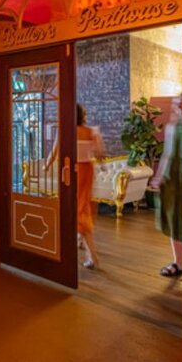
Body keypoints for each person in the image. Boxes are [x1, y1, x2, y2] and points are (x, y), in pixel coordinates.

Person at [149, 95, 182, 277]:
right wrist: (159, 176)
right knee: (175, 219)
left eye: (179, 103)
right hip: (173, 178)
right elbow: (167, 154)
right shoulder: (172, 126)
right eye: (175, 104)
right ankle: (178, 263)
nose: (176, 106)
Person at [75, 104, 105, 269]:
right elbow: (100, 153)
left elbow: (56, 152)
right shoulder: (91, 131)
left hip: (75, 171)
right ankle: (80, 238)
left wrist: (47, 167)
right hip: (88, 170)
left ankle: (92, 255)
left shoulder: (68, 131)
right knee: (84, 205)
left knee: (79, 210)